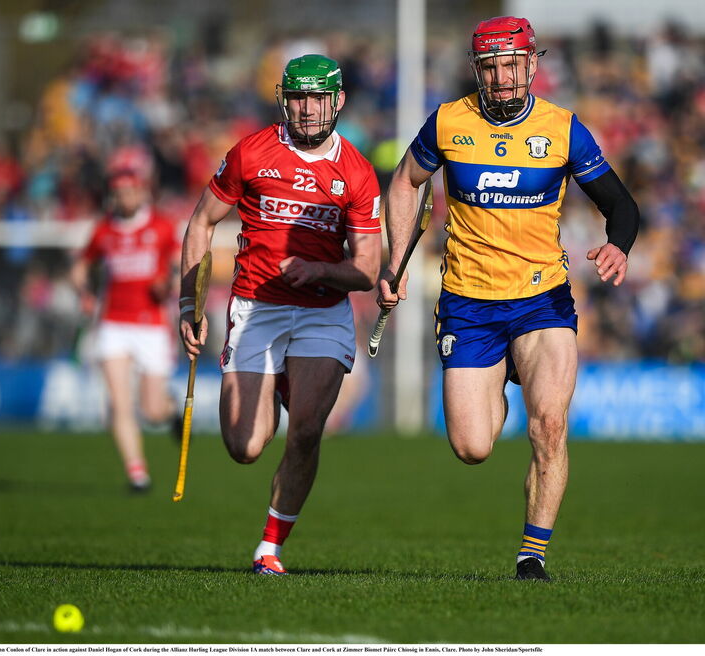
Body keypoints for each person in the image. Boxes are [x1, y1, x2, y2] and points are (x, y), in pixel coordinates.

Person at [378, 16, 639, 581]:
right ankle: (501, 372)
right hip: (468, 304)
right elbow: (403, 183)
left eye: (512, 64)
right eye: (491, 67)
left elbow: (620, 204)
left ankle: (531, 556)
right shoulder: (448, 122)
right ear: (478, 70)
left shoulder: (563, 129)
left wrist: (618, 246)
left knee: (549, 424)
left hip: (542, 300)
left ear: (532, 65)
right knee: (472, 447)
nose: (502, 77)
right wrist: (395, 261)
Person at [179, 54, 382, 575]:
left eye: (318, 98)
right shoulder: (251, 152)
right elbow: (201, 222)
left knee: (307, 430)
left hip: (322, 312)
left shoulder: (357, 172)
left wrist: (320, 271)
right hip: (256, 308)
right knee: (244, 446)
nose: (307, 108)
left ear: (338, 101)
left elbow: (365, 269)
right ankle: (280, 384)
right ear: (283, 100)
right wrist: (189, 303)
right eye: (298, 97)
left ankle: (269, 547)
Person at [71, 163, 181, 492]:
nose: (126, 197)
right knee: (119, 403)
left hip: (151, 324)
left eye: (131, 191)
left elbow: (177, 265)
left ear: (142, 192)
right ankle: (137, 474)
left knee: (152, 411)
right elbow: (81, 267)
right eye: (119, 192)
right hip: (113, 324)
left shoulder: (161, 226)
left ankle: (169, 410)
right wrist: (85, 293)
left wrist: (167, 284)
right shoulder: (104, 230)